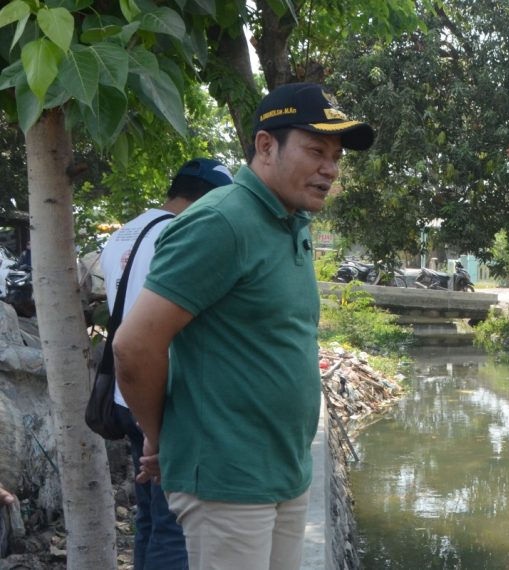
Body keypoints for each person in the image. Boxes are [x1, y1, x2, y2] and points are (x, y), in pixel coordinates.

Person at [113, 83, 374, 570]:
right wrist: (164, 437)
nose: (331, 169)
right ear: (265, 146)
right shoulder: (222, 222)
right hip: (228, 483)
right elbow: (134, 346)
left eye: (336, 157)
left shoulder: (289, 222)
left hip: (284, 475)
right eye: (316, 151)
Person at [100, 158, 233, 570]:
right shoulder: (181, 234)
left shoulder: (122, 235)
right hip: (166, 398)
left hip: (128, 395)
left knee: (150, 516)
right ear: (207, 198)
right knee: (175, 522)